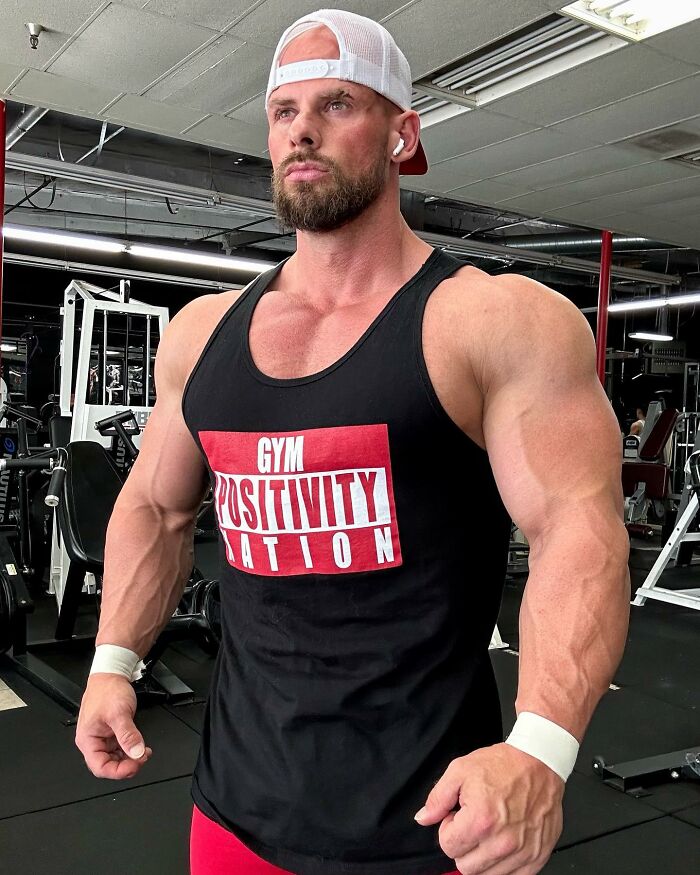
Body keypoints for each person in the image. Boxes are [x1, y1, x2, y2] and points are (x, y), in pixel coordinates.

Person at [75, 10, 630, 875]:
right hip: (233, 809)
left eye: (337, 103)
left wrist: (542, 748)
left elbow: (577, 526)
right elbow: (154, 503)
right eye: (284, 110)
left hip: (435, 824)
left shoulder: (490, 321)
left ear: (404, 134)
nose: (302, 127)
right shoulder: (202, 335)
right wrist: (114, 660)